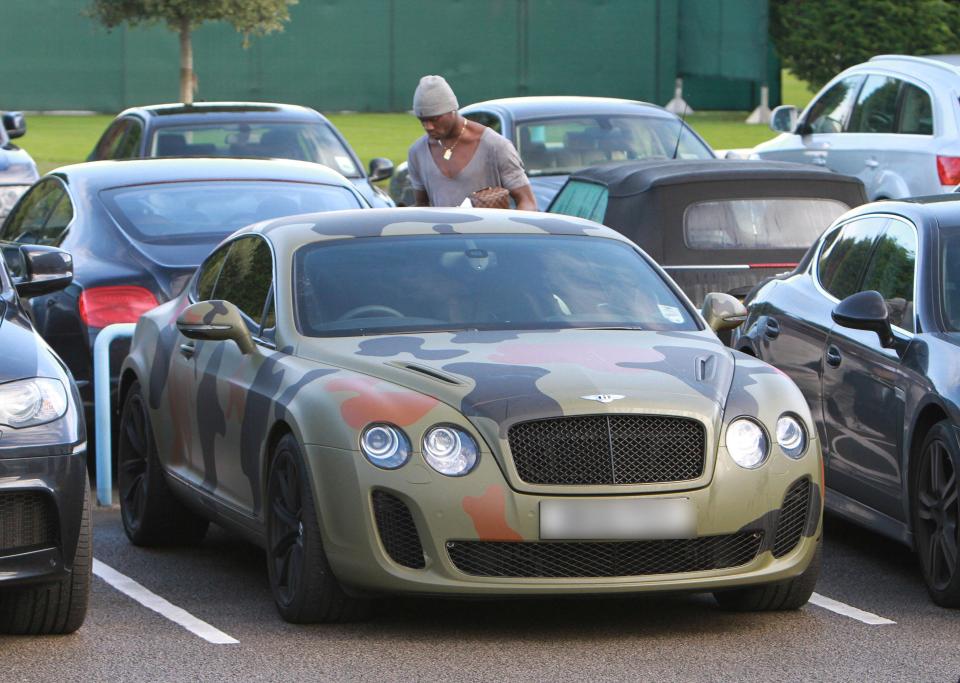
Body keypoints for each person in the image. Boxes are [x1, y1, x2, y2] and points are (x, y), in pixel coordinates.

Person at [407, 75, 537, 210]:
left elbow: (527, 201)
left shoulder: (495, 146)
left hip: (490, 229)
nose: (428, 126)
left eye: (435, 119)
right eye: (422, 120)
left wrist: (510, 229)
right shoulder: (417, 152)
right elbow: (422, 205)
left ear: (452, 111)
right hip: (443, 230)